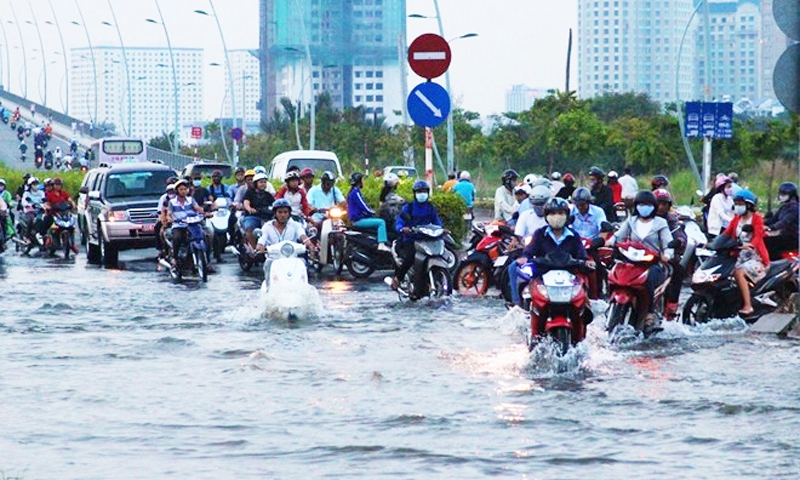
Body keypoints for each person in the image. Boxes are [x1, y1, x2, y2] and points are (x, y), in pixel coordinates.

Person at [517, 197, 588, 339]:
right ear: (547, 216)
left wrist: (586, 262)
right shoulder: (539, 234)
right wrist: (525, 258)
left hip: (569, 279)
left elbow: (582, 256)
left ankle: (581, 333)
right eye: (553, 213)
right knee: (526, 287)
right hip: (543, 278)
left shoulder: (573, 236)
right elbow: (529, 251)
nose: (557, 217)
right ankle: (530, 324)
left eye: (561, 213)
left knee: (583, 297)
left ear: (567, 215)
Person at [607, 190, 674, 333]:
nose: (644, 207)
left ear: (653, 206)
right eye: (641, 204)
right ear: (636, 206)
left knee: (648, 279)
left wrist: (667, 254)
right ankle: (610, 305)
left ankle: (649, 312)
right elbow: (619, 236)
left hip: (652, 264)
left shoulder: (660, 223)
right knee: (614, 274)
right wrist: (610, 241)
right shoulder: (631, 221)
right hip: (631, 262)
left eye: (648, 204)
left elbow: (668, 244)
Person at [721, 189, 769, 317]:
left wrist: (750, 245)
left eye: (740, 203)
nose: (737, 206)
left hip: (755, 257)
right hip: (739, 255)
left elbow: (758, 236)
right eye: (736, 203)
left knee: (738, 272)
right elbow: (726, 234)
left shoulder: (756, 218)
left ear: (748, 205)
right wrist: (712, 243)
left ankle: (748, 306)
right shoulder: (736, 219)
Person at [391, 180, 443, 293]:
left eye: (424, 191)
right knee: (410, 258)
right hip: (411, 239)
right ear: (414, 193)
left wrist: (442, 229)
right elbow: (399, 222)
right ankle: (397, 279)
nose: (422, 194)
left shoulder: (430, 208)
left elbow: (437, 222)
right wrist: (402, 229)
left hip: (427, 239)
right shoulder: (408, 208)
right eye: (419, 191)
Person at [506, 184, 550, 307]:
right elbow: (518, 235)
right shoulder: (525, 216)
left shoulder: (553, 217)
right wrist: (515, 243)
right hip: (530, 253)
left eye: (541, 204)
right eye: (535, 204)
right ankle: (516, 302)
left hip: (551, 255)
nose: (538, 207)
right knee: (512, 267)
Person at [256, 198, 313, 282]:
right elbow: (262, 239)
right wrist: (260, 247)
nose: (283, 215)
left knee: (303, 264)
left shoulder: (295, 225)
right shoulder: (267, 226)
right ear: (275, 213)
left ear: (289, 214)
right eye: (280, 212)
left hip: (293, 258)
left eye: (285, 212)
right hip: (273, 258)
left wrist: (308, 243)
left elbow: (302, 235)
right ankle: (269, 289)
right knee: (268, 264)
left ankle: (303, 287)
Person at [654, 188, 687, 320]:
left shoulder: (671, 220)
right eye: (658, 204)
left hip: (665, 255)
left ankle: (671, 306)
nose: (661, 207)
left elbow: (680, 236)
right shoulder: (642, 218)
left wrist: (679, 241)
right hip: (642, 254)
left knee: (678, 270)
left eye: (664, 204)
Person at [165, 179, 206, 269]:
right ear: (177, 191)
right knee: (177, 238)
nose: (183, 191)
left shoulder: (191, 200)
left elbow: (198, 208)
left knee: (204, 235)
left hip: (192, 224)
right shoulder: (172, 202)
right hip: (179, 225)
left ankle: (206, 261)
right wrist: (170, 219)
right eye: (181, 189)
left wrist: (205, 212)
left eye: (185, 189)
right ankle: (175, 258)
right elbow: (169, 214)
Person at [347, 172, 391, 252]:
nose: (363, 182)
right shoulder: (355, 192)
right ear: (359, 181)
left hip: (358, 219)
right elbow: (364, 206)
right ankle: (381, 244)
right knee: (381, 222)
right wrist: (373, 212)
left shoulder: (355, 192)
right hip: (358, 220)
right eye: (362, 180)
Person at [41, 177, 78, 252]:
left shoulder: (64, 193)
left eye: (59, 184)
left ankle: (73, 244)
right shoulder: (50, 194)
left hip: (64, 213)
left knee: (72, 227)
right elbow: (46, 203)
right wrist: (48, 207)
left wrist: (73, 205)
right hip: (53, 213)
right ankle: (48, 238)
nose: (57, 186)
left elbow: (70, 200)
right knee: (48, 222)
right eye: (56, 184)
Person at [765, 182, 799, 259]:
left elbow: (784, 222)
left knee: (768, 243)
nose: (781, 196)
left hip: (793, 237)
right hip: (785, 235)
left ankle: (776, 265)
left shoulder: (794, 207)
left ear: (791, 194)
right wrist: (760, 222)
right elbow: (773, 219)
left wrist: (770, 228)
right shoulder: (784, 206)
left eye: (784, 194)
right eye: (781, 193)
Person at [241, 173, 276, 249]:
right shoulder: (250, 193)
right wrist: (249, 208)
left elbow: (274, 205)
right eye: (261, 182)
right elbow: (246, 202)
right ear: (255, 183)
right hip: (253, 216)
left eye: (264, 182)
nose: (263, 184)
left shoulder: (268, 195)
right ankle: (254, 249)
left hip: (266, 217)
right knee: (249, 227)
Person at [156, 178, 178, 258]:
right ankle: (161, 249)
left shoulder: (182, 197)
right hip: (167, 219)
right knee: (159, 229)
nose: (171, 193)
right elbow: (161, 211)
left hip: (180, 220)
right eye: (170, 191)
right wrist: (164, 222)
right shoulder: (164, 199)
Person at [21, 177, 45, 244]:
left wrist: (45, 204)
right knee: (31, 220)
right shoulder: (27, 193)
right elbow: (24, 201)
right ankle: (27, 237)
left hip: (40, 210)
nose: (35, 186)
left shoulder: (41, 192)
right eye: (34, 184)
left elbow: (44, 200)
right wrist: (29, 205)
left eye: (37, 184)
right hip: (30, 211)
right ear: (30, 185)